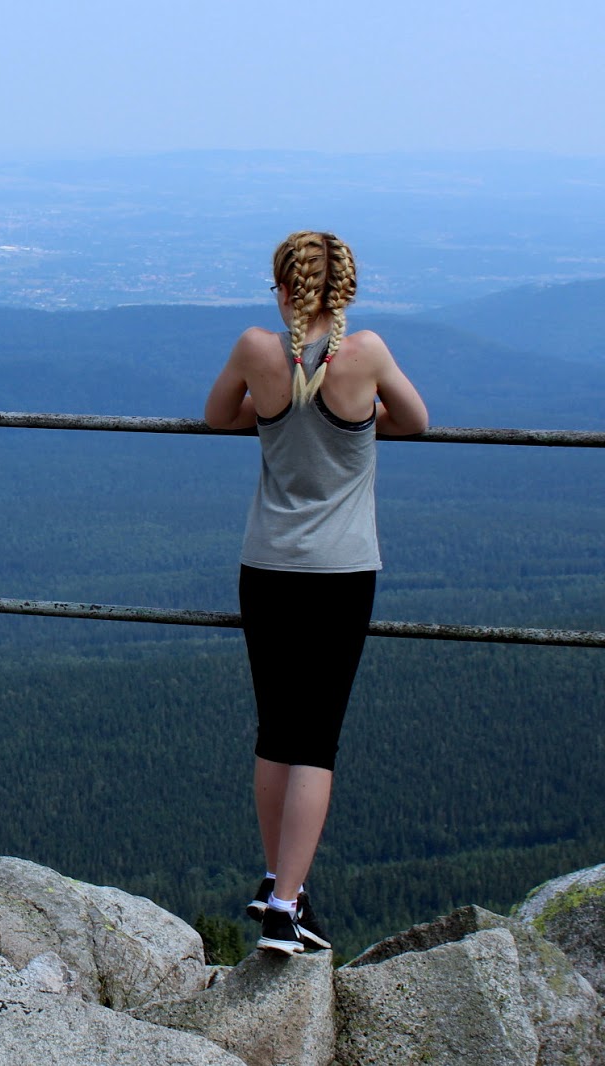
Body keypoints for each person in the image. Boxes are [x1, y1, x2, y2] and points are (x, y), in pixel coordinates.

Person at [203, 230, 428, 955]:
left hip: (266, 566)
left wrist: (272, 419)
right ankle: (287, 910)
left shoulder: (255, 351)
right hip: (340, 572)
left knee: (276, 731)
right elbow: (418, 421)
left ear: (281, 289)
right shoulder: (366, 355)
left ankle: (276, 881)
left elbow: (218, 416)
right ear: (346, 292)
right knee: (316, 743)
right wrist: (359, 424)